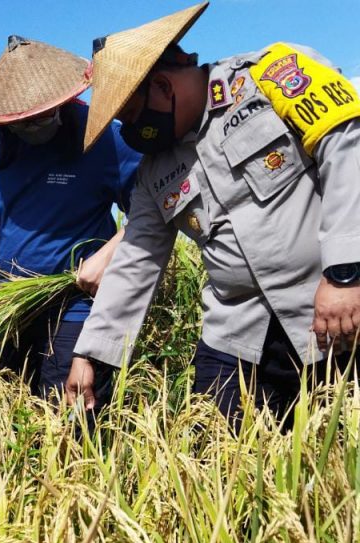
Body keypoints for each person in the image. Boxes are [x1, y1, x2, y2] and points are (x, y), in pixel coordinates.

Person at [65, 2, 360, 422]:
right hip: (237, 333)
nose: (131, 134)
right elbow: (137, 258)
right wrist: (90, 352)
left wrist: (345, 272)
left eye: (131, 118)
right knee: (218, 457)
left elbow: (348, 148)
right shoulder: (155, 171)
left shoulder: (271, 74)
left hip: (329, 310)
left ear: (163, 88)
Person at [0, 35, 141, 404]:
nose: (34, 127)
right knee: (5, 414)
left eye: (43, 116)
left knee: (66, 414)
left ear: (62, 102)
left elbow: (151, 214)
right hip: (9, 301)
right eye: (23, 122)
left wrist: (108, 254)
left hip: (75, 300)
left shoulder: (106, 139)